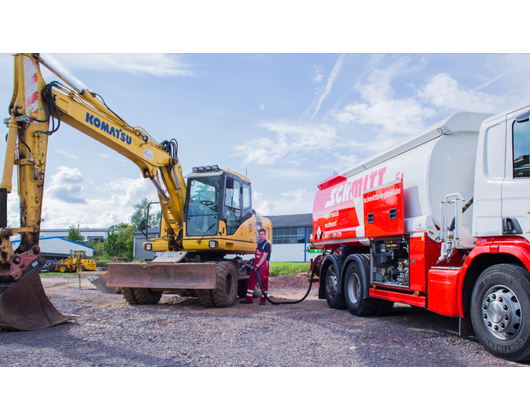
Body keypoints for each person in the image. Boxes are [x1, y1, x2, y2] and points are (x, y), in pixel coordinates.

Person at [241, 229, 271, 306]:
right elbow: (257, 256)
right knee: (251, 281)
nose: (261, 235)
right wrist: (254, 261)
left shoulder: (267, 244)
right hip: (256, 266)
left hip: (263, 266)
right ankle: (249, 299)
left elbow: (264, 256)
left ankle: (263, 300)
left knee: (264, 283)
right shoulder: (259, 244)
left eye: (262, 234)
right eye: (259, 234)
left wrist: (257, 265)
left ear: (265, 235)